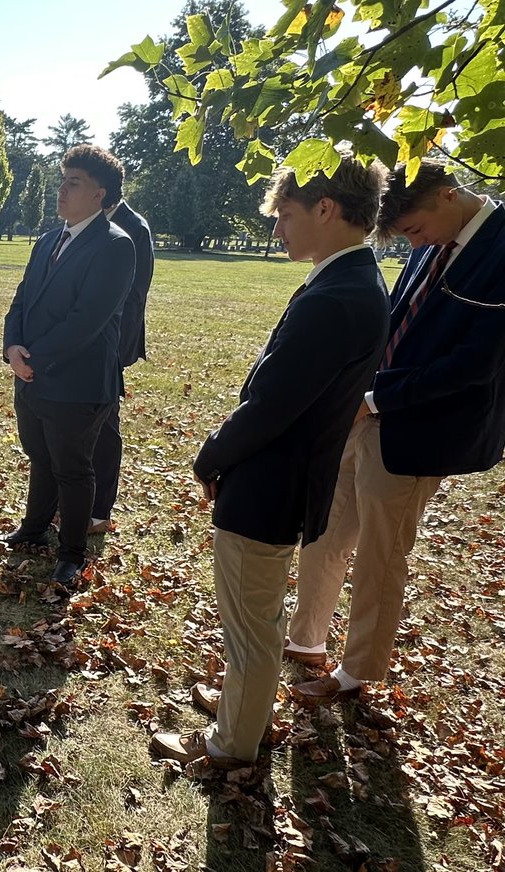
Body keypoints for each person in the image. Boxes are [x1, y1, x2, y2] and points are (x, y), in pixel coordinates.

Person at [149, 154, 390, 768]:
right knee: (252, 616)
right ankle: (241, 701)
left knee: (253, 625)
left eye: (284, 214)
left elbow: (270, 406)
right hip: (284, 476)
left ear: (326, 209)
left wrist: (209, 458)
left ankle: (234, 744)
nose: (276, 229)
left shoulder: (336, 297)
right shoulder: (351, 280)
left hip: (269, 482)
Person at [287, 160, 505, 704]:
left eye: (414, 230)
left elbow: (477, 363)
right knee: (326, 528)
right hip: (363, 410)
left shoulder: (501, 250)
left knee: (380, 553)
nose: (414, 242)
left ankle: (357, 672)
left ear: (449, 196)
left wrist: (379, 397)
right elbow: (399, 313)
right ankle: (305, 639)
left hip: (420, 429)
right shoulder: (432, 239)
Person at [0, 146, 135, 586]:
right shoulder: (49, 240)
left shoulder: (115, 246)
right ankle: (34, 528)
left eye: (74, 182)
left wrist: (35, 359)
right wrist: (12, 346)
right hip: (31, 374)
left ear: (99, 194)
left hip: (78, 383)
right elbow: (21, 299)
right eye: (62, 180)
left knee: (72, 468)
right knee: (40, 456)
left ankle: (72, 552)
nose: (62, 190)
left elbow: (86, 322)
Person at [88, 176, 154, 533]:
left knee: (105, 427)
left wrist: (116, 350)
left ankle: (100, 512)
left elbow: (135, 295)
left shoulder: (133, 227)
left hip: (110, 345)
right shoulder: (86, 223)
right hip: (84, 344)